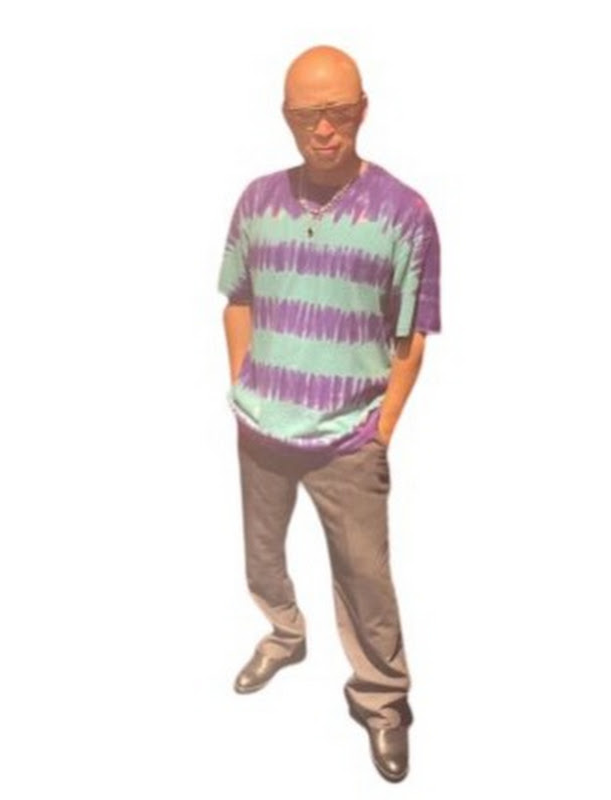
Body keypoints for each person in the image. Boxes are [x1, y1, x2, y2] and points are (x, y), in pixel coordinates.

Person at [217, 44, 441, 783]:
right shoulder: (256, 201)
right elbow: (238, 297)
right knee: (262, 556)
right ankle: (284, 634)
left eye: (339, 111)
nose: (324, 128)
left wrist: (381, 429)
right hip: (261, 430)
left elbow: (412, 335)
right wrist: (245, 382)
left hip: (348, 438)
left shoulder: (405, 214)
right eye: (308, 114)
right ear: (286, 117)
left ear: (363, 110)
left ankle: (381, 700)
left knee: (366, 581)